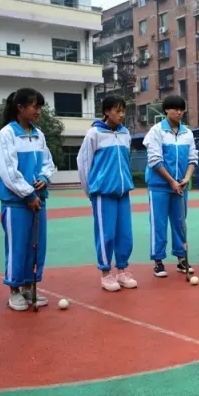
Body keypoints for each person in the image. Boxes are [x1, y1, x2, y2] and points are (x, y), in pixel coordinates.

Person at [0, 88, 55, 311]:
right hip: (16, 203)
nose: (38, 111)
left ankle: (30, 287)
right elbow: (8, 171)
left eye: (40, 106)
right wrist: (27, 193)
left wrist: (44, 177)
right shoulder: (6, 135)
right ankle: (14, 290)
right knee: (18, 246)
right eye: (34, 106)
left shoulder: (39, 135)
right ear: (20, 108)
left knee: (36, 247)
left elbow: (48, 162)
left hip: (38, 201)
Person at [77, 95, 136, 292]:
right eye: (117, 111)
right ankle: (105, 273)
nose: (121, 115)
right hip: (103, 192)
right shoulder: (94, 134)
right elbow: (84, 163)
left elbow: (124, 162)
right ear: (106, 112)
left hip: (123, 192)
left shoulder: (125, 133)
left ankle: (122, 270)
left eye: (123, 110)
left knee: (125, 234)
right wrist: (91, 190)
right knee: (106, 234)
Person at [143, 95, 198, 278]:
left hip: (181, 187)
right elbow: (154, 160)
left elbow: (192, 159)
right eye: (175, 108)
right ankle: (158, 262)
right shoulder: (156, 131)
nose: (179, 112)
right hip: (159, 186)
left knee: (180, 224)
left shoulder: (187, 133)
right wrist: (171, 181)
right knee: (158, 224)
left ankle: (181, 259)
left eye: (181, 109)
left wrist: (186, 178)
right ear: (166, 110)